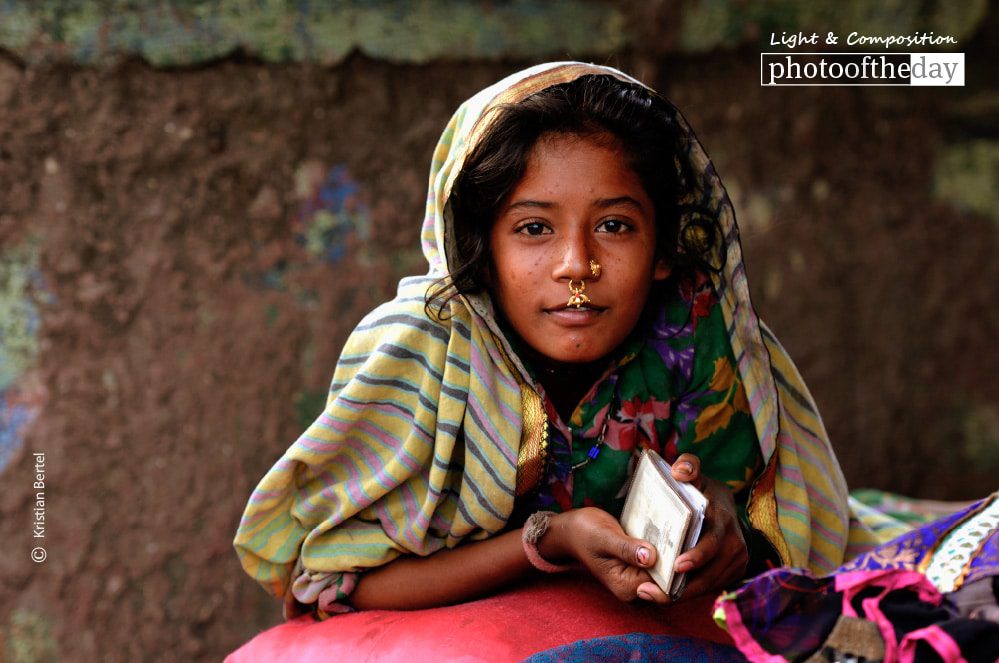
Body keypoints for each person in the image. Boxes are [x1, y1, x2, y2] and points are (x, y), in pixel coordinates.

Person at [233, 62, 904, 620]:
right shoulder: (418, 354)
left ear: (663, 246)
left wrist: (723, 523)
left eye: (613, 225)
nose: (575, 264)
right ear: (479, 247)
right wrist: (548, 539)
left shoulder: (693, 325)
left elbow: (758, 502)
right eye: (532, 229)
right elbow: (335, 580)